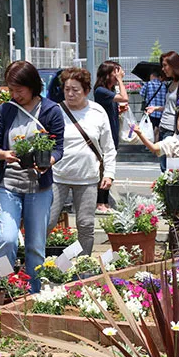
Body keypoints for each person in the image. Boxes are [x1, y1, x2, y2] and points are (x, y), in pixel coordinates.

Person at [0, 60, 64, 293]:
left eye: (18, 90)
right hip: (8, 185)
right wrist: (3, 154)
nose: (14, 95)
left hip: (39, 188)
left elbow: (58, 148)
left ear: (32, 86)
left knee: (36, 246)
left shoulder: (51, 111)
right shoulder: (4, 111)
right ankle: (3, 285)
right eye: (11, 90)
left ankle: (34, 292)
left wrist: (48, 162)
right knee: (6, 238)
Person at [49, 68, 117, 256]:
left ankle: (82, 262)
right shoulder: (55, 110)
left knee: (86, 224)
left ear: (86, 90)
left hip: (88, 178)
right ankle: (36, 262)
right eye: (67, 89)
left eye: (76, 90)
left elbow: (109, 147)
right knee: (48, 221)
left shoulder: (97, 111)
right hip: (57, 176)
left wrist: (109, 173)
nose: (70, 94)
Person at [134, 103, 179, 254]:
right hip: (173, 188)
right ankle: (176, 253)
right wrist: (140, 134)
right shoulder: (170, 141)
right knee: (175, 220)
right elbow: (154, 149)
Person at [93, 61, 128, 214]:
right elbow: (125, 97)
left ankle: (104, 202)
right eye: (115, 73)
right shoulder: (100, 90)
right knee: (103, 170)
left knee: (108, 169)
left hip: (112, 135)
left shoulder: (109, 90)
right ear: (107, 74)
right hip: (103, 138)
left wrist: (118, 111)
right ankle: (100, 202)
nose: (117, 76)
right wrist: (121, 80)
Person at [149, 51, 179, 172]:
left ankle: (170, 190)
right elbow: (171, 105)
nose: (163, 69)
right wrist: (157, 108)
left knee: (171, 167)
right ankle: (166, 190)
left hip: (172, 130)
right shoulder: (171, 83)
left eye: (165, 65)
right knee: (163, 165)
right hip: (163, 127)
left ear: (174, 65)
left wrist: (178, 133)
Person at [140, 68, 167, 137]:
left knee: (149, 129)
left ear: (151, 76)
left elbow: (142, 94)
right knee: (158, 129)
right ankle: (156, 144)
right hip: (160, 111)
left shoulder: (148, 84)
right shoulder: (163, 85)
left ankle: (149, 145)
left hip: (150, 111)